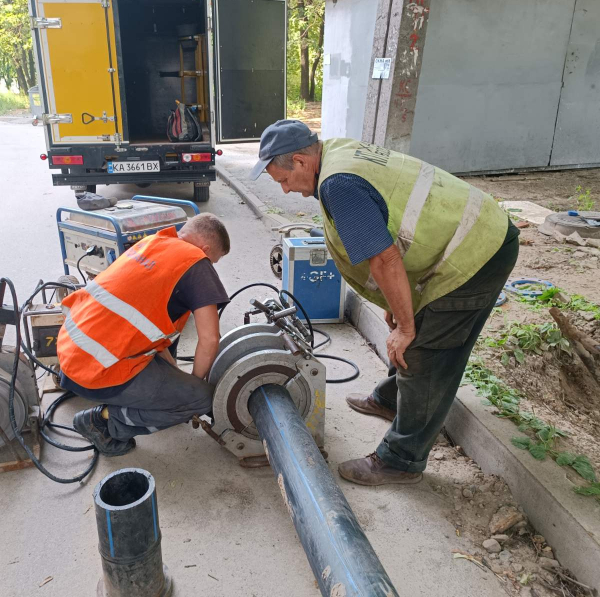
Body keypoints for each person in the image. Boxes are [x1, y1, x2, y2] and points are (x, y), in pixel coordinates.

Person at [251, 120, 519, 485]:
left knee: (425, 351)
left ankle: (401, 460)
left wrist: (408, 327)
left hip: (477, 252)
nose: (284, 190)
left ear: (300, 161)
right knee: (414, 332)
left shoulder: (338, 185)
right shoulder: (335, 154)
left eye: (282, 180)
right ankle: (391, 400)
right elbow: (390, 234)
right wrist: (399, 301)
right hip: (460, 238)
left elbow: (385, 259)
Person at [58, 213, 231, 456]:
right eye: (213, 260)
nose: (210, 267)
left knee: (179, 387)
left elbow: (150, 329)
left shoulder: (150, 243)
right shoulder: (195, 260)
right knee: (200, 399)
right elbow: (210, 339)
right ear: (205, 249)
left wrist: (176, 378)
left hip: (72, 355)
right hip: (99, 370)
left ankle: (135, 404)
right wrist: (194, 384)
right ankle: (106, 423)